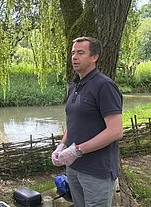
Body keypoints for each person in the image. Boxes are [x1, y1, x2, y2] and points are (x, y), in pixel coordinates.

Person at [51, 37, 123, 207]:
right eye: (73, 53)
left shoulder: (104, 85)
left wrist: (77, 150)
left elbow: (115, 131)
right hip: (74, 168)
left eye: (80, 53)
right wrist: (61, 145)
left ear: (94, 57)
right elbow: (73, 122)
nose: (74, 57)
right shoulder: (74, 86)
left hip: (97, 171)